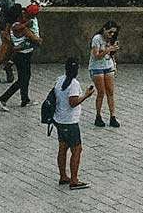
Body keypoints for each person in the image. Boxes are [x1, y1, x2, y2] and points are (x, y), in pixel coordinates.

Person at [53, 58, 96, 190]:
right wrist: (86, 95)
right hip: (70, 122)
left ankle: (63, 176)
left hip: (59, 120)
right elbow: (73, 102)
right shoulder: (74, 84)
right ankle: (74, 180)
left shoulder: (59, 80)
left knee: (62, 148)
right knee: (76, 150)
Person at [0, 3, 42, 110]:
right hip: (23, 55)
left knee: (25, 77)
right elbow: (35, 40)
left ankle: (25, 99)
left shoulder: (14, 25)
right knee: (22, 79)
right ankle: (3, 98)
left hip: (21, 54)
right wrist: (37, 40)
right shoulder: (23, 28)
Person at [89, 20, 121, 127]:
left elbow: (111, 54)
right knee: (101, 92)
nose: (111, 35)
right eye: (110, 32)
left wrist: (113, 52)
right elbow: (96, 56)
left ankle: (113, 116)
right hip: (97, 67)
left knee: (110, 92)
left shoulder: (112, 39)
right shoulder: (97, 39)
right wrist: (108, 50)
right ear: (104, 29)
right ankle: (98, 116)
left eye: (113, 33)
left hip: (108, 66)